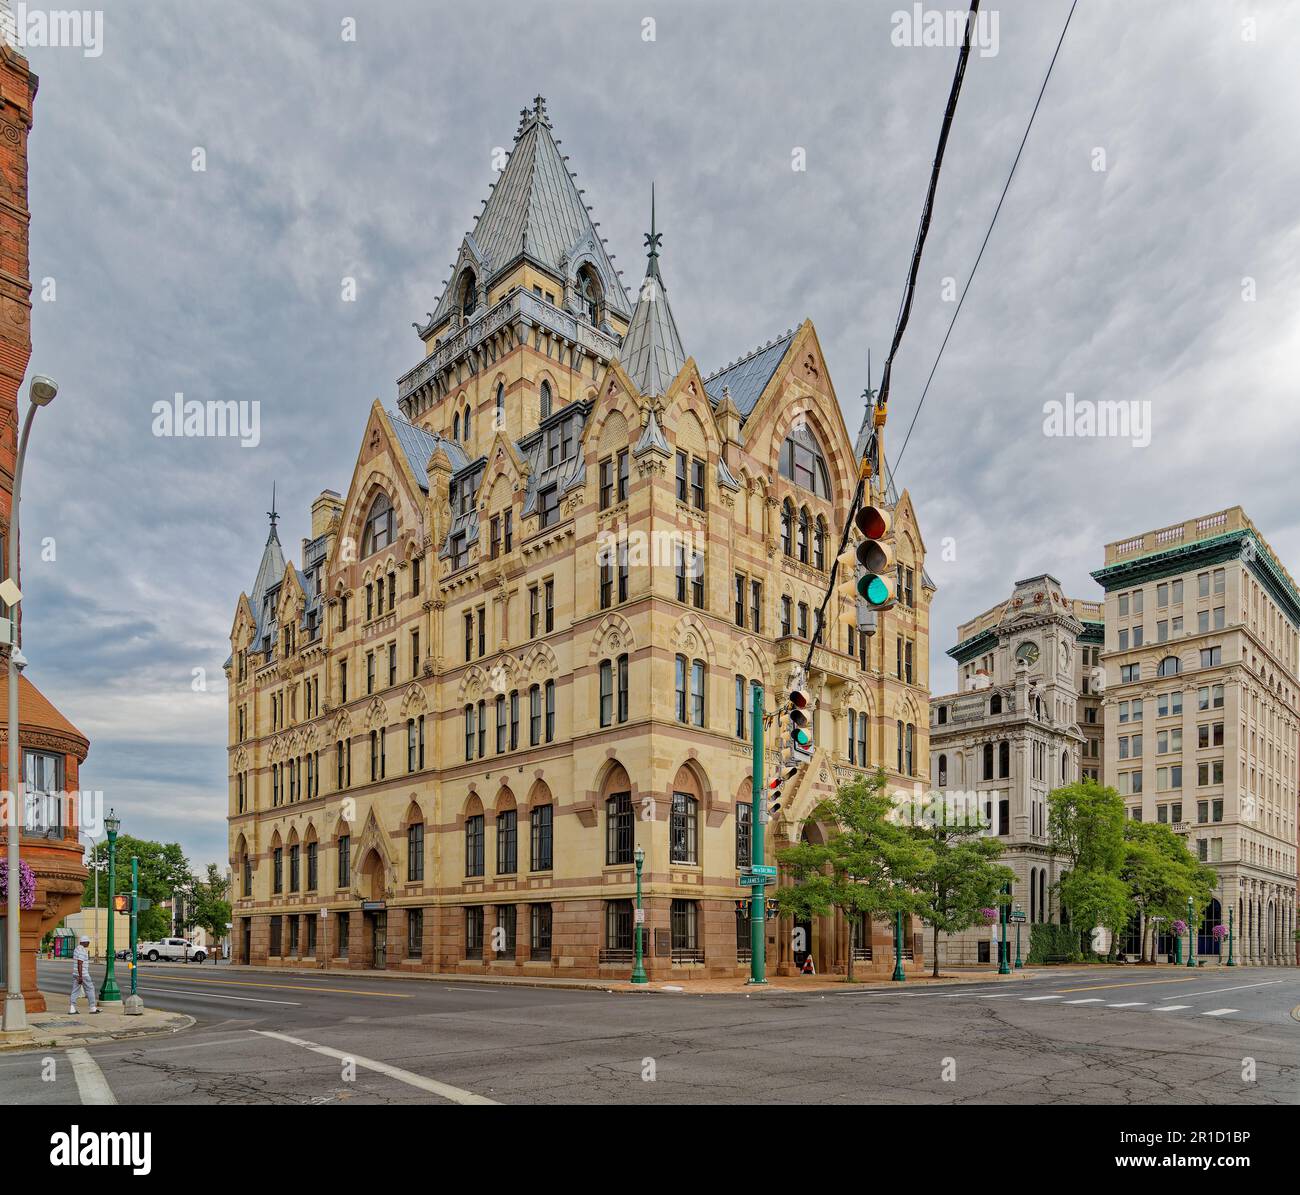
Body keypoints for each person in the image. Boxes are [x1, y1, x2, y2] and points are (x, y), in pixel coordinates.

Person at [70, 935, 99, 1015]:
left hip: (75, 973)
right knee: (90, 989)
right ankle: (92, 1008)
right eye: (88, 942)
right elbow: (80, 963)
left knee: (75, 990)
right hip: (83, 974)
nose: (88, 943)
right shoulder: (82, 950)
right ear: (84, 942)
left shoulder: (76, 949)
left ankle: (72, 1008)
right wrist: (81, 976)